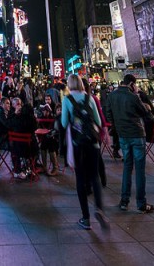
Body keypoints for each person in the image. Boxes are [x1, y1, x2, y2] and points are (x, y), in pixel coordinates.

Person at [105, 74, 154, 213]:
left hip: (123, 136)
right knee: (139, 169)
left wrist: (116, 127)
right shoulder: (133, 97)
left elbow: (108, 113)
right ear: (132, 84)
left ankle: (124, 201)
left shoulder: (112, 96)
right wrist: (140, 99)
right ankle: (141, 203)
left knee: (127, 167)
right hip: (136, 135)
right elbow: (148, 115)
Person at [61, 73, 104, 230]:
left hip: (78, 143)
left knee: (80, 178)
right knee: (95, 176)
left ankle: (86, 218)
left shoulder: (67, 100)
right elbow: (98, 121)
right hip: (93, 143)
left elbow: (64, 122)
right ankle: (99, 208)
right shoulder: (90, 98)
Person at [7, 96, 37, 179]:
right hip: (30, 149)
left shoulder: (15, 119)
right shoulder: (32, 121)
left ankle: (18, 169)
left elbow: (8, 125)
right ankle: (30, 168)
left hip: (16, 148)